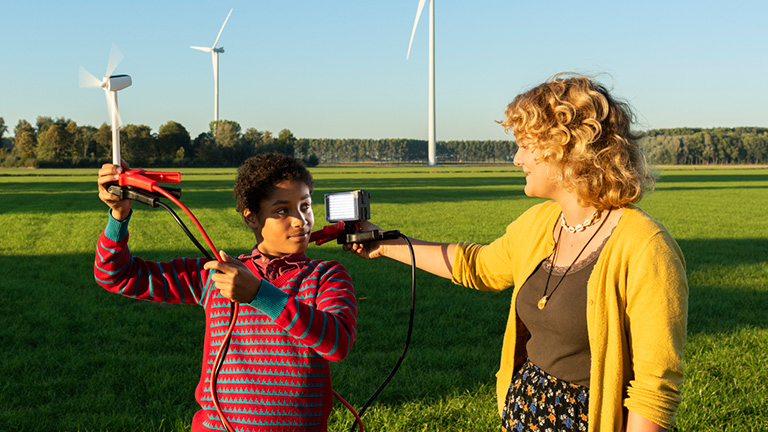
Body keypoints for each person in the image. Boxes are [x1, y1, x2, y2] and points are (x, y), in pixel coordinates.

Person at [346, 74, 688, 432]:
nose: (516, 158)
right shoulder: (540, 223)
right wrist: (384, 243)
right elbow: (476, 265)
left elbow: (654, 387)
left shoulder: (646, 247)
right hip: (525, 416)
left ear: (567, 148)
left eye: (525, 145)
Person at [95, 153, 357, 432]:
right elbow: (115, 275)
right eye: (282, 210)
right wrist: (118, 215)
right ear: (252, 218)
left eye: (305, 206)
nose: (299, 220)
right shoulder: (215, 273)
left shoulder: (325, 276)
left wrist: (260, 294)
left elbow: (337, 343)